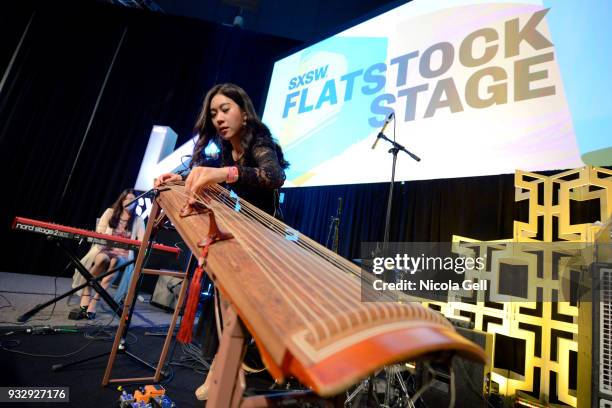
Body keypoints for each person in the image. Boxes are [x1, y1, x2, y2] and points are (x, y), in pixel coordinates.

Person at [155, 83, 289, 400]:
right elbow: (211, 172)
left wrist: (224, 174)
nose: (218, 118)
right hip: (244, 234)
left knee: (235, 307)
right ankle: (220, 369)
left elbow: (273, 176)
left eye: (225, 109)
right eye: (213, 113)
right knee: (225, 302)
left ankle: (224, 372)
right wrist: (180, 178)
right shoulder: (229, 149)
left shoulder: (260, 141)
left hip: (267, 237)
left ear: (244, 112)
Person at [71, 189, 145, 319]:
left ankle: (95, 301)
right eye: (126, 199)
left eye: (132, 199)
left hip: (123, 254)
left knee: (115, 262)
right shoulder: (110, 212)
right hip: (105, 249)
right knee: (102, 260)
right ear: (122, 201)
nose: (129, 202)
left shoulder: (138, 220)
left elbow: (142, 241)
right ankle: (86, 292)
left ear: (136, 202)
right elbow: (99, 233)